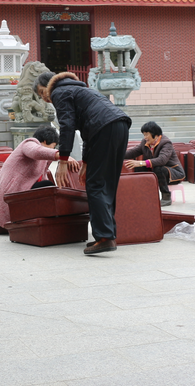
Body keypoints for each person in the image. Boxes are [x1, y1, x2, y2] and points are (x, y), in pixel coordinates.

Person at [35, 71, 132, 255]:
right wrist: (86, 162)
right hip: (120, 125)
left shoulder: (58, 92)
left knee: (94, 185)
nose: (44, 97)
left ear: (49, 85)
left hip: (104, 128)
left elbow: (67, 125)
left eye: (42, 92)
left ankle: (105, 237)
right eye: (41, 96)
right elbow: (88, 130)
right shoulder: (79, 90)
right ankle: (106, 235)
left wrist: (62, 161)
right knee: (107, 184)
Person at [0, 125, 81, 229]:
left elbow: (43, 176)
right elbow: (36, 151)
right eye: (53, 146)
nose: (53, 149)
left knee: (50, 188)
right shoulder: (29, 144)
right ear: (45, 141)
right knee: (47, 186)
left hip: (22, 190)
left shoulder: (43, 158)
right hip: (10, 191)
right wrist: (63, 156)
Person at [123, 121, 185, 207]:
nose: (145, 137)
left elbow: (162, 160)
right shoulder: (145, 142)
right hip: (157, 171)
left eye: (146, 134)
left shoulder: (166, 143)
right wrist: (116, 155)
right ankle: (145, 196)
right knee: (138, 168)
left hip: (174, 173)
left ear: (155, 135)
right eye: (144, 135)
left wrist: (141, 162)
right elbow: (133, 152)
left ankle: (166, 197)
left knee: (158, 168)